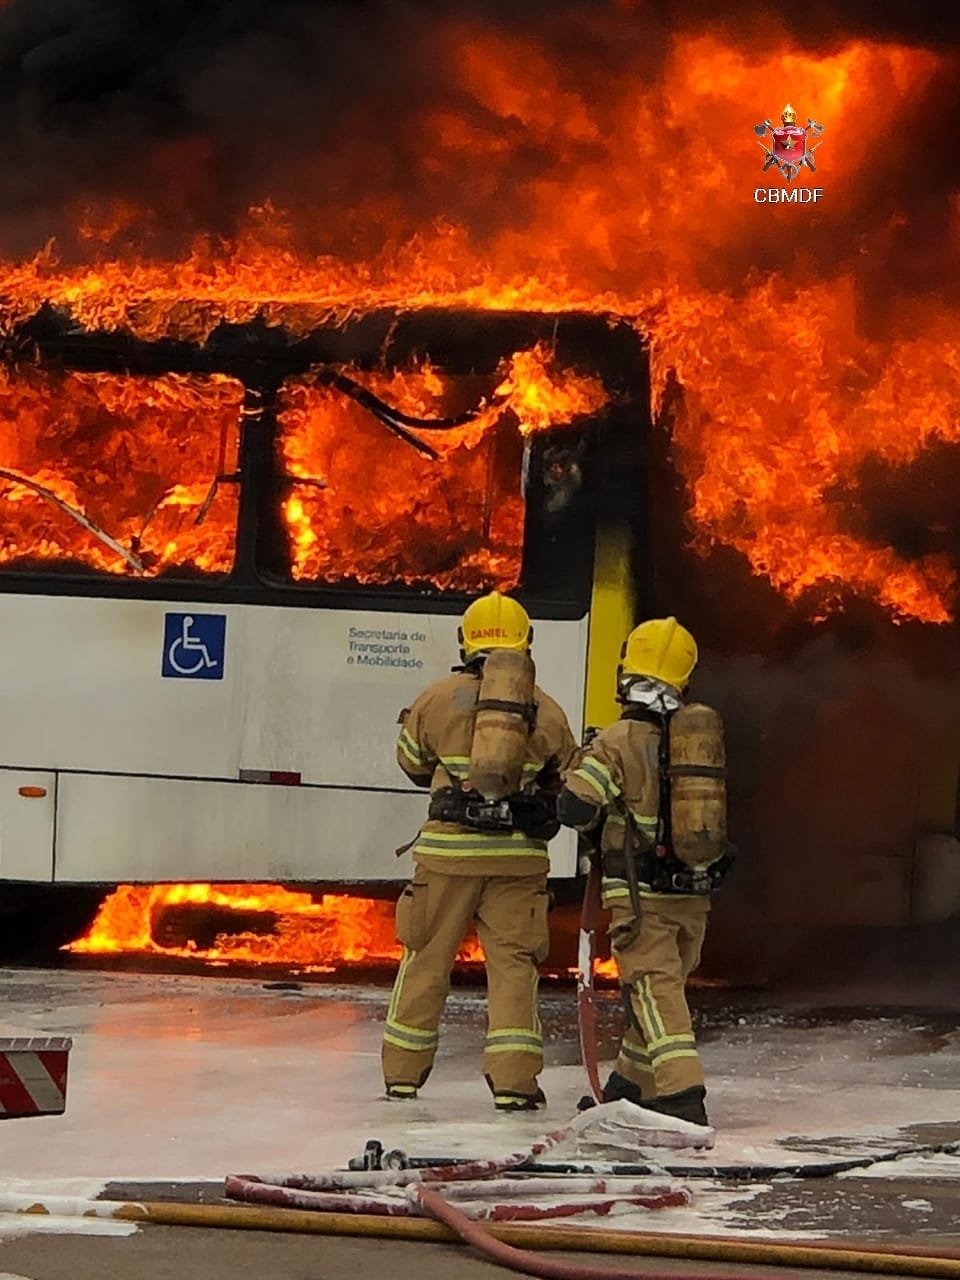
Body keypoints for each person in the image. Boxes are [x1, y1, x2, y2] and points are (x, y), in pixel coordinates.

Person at [382, 590, 578, 1112]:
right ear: (526, 643)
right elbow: (566, 780)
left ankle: (402, 1076)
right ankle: (514, 1083)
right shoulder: (548, 710)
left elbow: (411, 762)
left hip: (447, 857)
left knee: (426, 959)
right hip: (518, 861)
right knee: (513, 968)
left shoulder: (437, 698)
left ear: (465, 641)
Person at [557, 617, 732, 1127]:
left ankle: (682, 1094)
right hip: (692, 893)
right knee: (655, 990)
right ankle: (630, 1086)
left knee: (654, 989)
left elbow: (574, 806)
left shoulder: (620, 739)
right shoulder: (695, 741)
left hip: (642, 896)